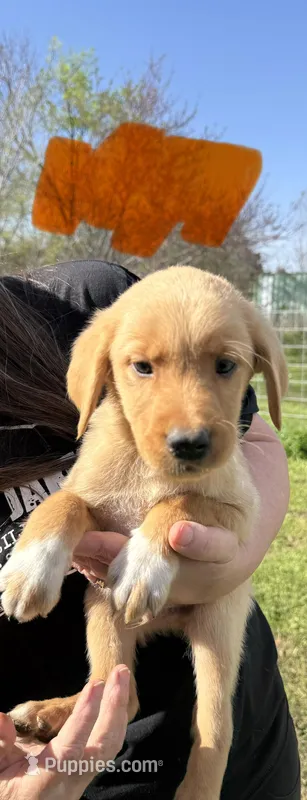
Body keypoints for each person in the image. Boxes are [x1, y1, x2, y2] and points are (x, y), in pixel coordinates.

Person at [0, 259, 300, 800]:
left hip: (251, 762)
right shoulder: (109, 434)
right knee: (102, 600)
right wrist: (55, 526)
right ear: (106, 372)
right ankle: (105, 691)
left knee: (217, 638)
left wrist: (220, 559)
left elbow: (254, 455)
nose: (188, 421)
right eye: (144, 367)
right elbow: (80, 501)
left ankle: (210, 766)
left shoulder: (84, 299)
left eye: (225, 366)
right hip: (63, 776)